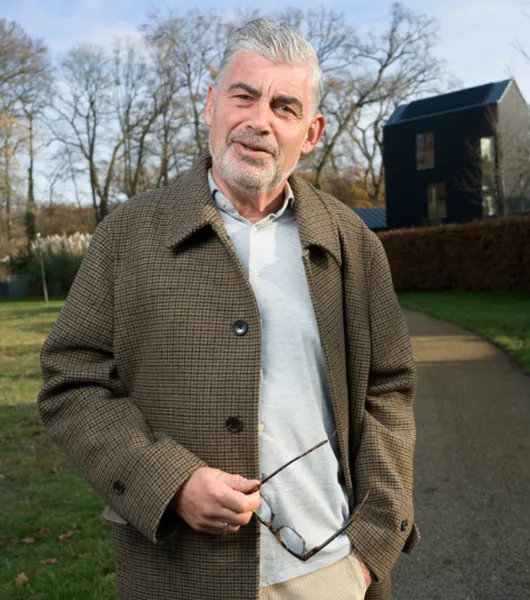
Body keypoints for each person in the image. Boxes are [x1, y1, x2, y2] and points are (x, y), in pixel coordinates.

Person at [37, 18, 418, 600]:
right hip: (180, 577)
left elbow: (389, 390)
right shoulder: (127, 236)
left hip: (330, 571)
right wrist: (167, 481)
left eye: (285, 107)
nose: (259, 121)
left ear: (311, 132)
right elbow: (71, 382)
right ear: (211, 103)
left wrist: (371, 546)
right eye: (244, 96)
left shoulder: (353, 244)